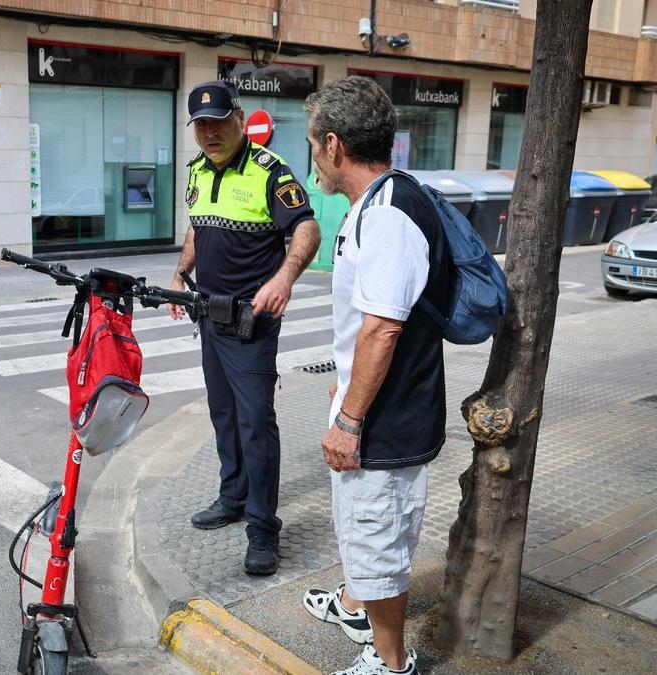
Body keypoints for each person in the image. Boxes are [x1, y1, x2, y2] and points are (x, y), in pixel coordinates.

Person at [299, 76, 449, 675]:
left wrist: (350, 420)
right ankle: (358, 608)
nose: (313, 157)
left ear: (334, 146)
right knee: (367, 533)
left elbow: (382, 329)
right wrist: (346, 383)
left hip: (384, 422)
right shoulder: (384, 201)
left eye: (313, 145)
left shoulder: (387, 215)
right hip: (376, 406)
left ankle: (390, 663)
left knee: (379, 541)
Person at [169, 80, 321, 576]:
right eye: (201, 126)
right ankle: (232, 497)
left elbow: (306, 228)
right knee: (223, 415)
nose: (210, 134)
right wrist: (180, 273)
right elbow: (199, 225)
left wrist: (283, 278)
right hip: (209, 315)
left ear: (238, 119)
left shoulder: (269, 171)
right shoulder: (197, 170)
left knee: (256, 423)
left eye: (218, 123)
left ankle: (262, 526)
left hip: (250, 322)